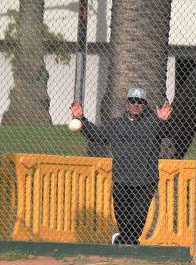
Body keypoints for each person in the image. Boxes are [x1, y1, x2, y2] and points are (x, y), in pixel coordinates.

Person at [70, 87, 172, 245]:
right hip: (121, 179)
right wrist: (81, 118)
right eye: (132, 101)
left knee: (138, 215)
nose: (136, 104)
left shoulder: (154, 122)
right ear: (127, 103)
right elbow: (97, 135)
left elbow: (169, 131)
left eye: (140, 101)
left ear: (144, 104)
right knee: (122, 216)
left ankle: (124, 240)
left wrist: (164, 120)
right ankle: (128, 242)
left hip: (146, 180)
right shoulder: (115, 124)